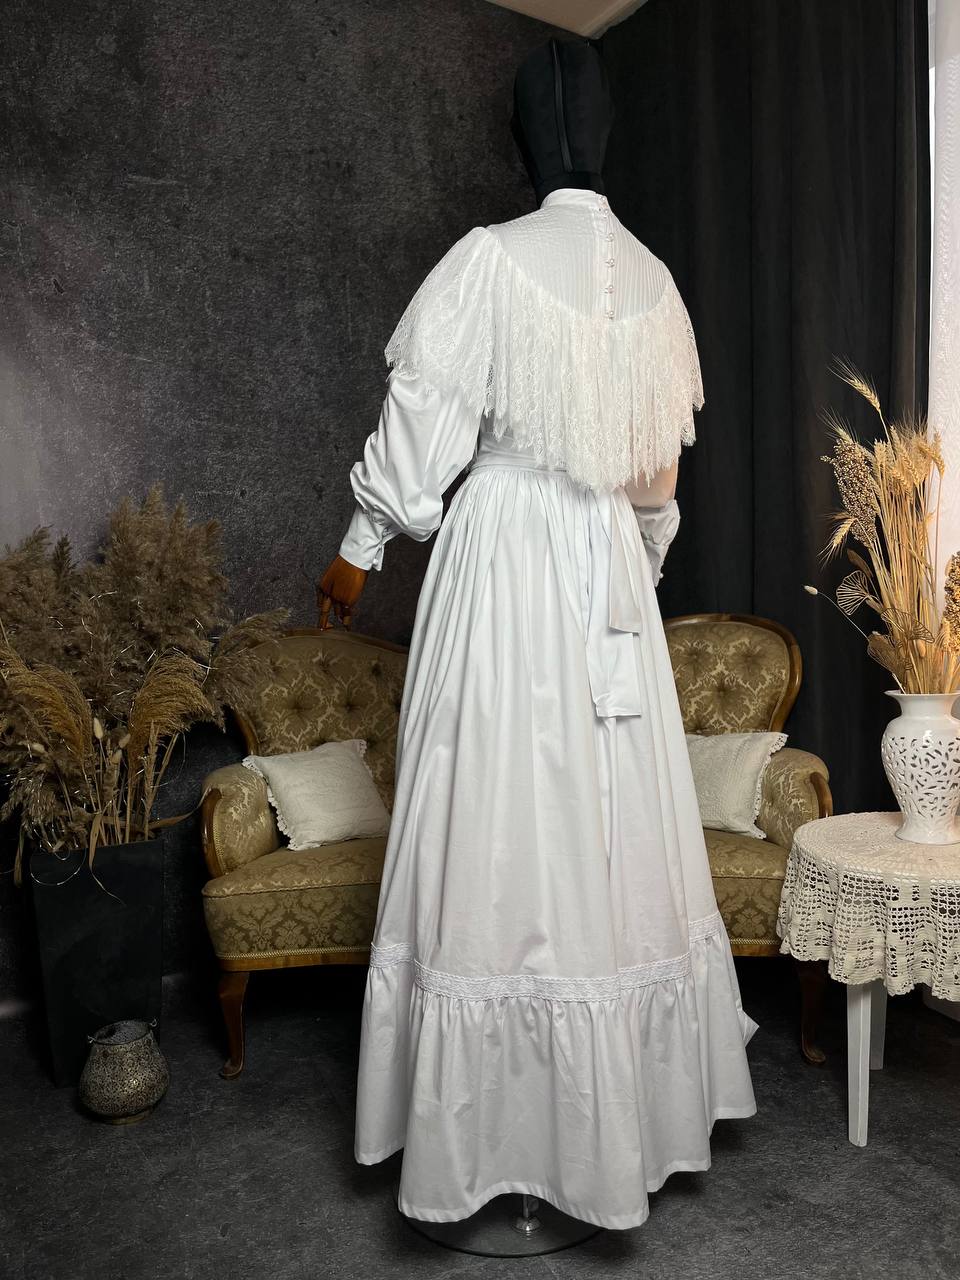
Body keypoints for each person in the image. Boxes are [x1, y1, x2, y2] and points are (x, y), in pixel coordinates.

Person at [317, 37, 757, 1230]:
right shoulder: (657, 284)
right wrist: (631, 571)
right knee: (602, 835)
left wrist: (358, 548)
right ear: (601, 138)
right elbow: (656, 481)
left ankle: (503, 1141)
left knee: (500, 816)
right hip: (601, 560)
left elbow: (421, 433)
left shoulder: (487, 263)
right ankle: (596, 1134)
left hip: (505, 555)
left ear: (524, 143)